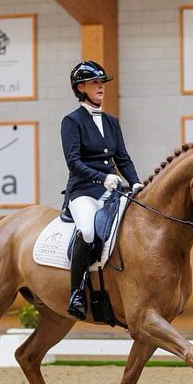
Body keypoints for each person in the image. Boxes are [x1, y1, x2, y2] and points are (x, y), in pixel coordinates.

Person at [61, 60, 143, 320]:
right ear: (81, 87)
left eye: (102, 83)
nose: (101, 87)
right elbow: (73, 162)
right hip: (83, 191)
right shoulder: (71, 121)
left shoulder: (111, 121)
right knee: (87, 230)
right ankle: (76, 292)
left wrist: (136, 181)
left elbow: (123, 158)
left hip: (112, 191)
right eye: (96, 83)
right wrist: (101, 177)